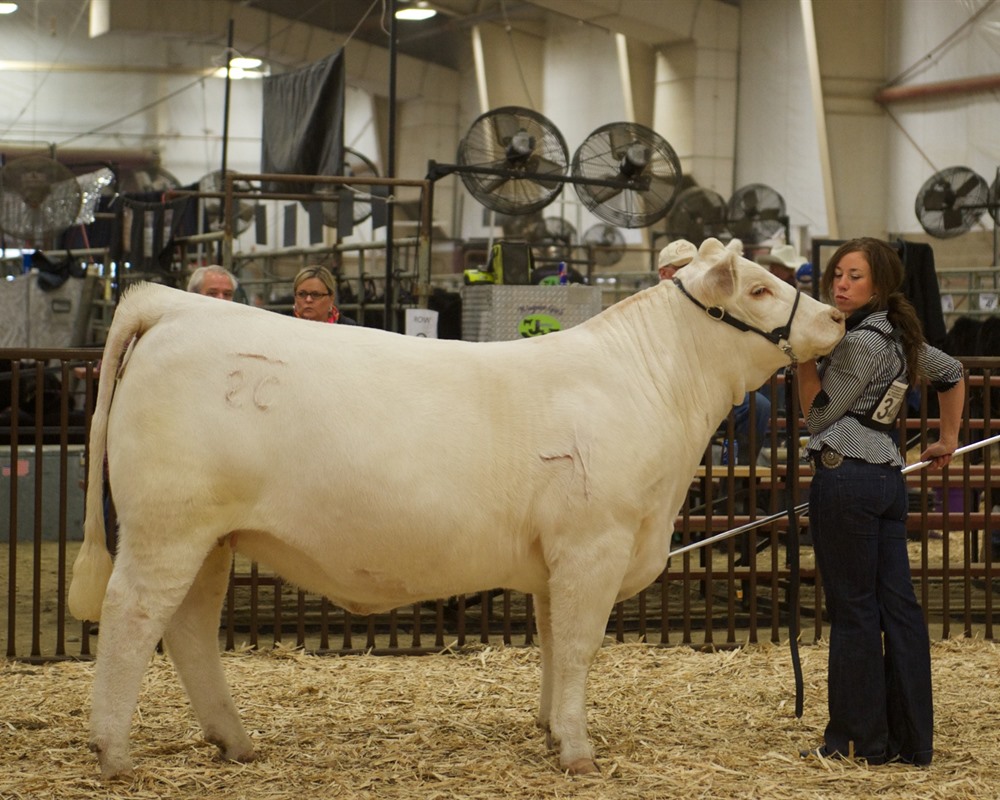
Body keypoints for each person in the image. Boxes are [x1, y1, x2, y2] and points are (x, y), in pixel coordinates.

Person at [796, 237, 965, 766]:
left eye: (855, 277)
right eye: (838, 275)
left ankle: (856, 741)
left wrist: (801, 360)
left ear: (881, 286)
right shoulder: (900, 335)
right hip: (886, 480)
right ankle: (912, 739)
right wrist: (948, 439)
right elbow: (953, 373)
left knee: (854, 612)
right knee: (900, 609)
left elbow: (820, 415)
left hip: (845, 478)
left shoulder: (859, 343)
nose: (841, 285)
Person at [658, 239, 770, 465]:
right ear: (664, 273)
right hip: (667, 396)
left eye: (694, 267)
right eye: (681, 268)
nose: (690, 273)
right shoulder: (651, 307)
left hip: (710, 390)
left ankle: (740, 482)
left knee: (759, 406)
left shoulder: (709, 306)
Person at [292, 265, 356, 324]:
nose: (308, 300)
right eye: (302, 294)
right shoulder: (285, 326)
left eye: (316, 294)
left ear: (331, 298)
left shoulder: (350, 328)